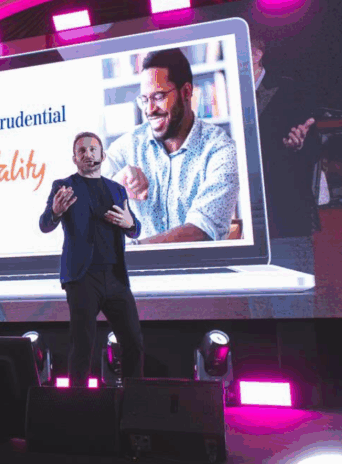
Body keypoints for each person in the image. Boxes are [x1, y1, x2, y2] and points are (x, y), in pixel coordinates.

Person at [39, 131, 144, 387]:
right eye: (82, 151)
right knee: (83, 345)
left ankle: (132, 407)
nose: (88, 154)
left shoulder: (117, 189)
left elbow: (134, 228)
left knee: (134, 343)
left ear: (103, 155)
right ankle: (78, 408)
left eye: (93, 150)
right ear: (75, 158)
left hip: (115, 277)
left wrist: (131, 224)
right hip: (82, 277)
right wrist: (55, 211)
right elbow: (44, 225)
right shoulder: (63, 186)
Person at [103, 48, 240, 244]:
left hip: (201, 272)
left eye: (158, 97)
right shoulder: (127, 147)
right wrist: (117, 184)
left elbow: (201, 230)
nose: (149, 110)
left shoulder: (221, 150)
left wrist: (133, 252)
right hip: (134, 272)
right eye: (144, 100)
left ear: (186, 92)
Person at [248, 35, 321, 317]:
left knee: (293, 305)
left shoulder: (290, 89)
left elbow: (314, 142)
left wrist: (299, 144)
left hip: (286, 213)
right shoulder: (226, 95)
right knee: (258, 306)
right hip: (250, 222)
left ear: (256, 54)